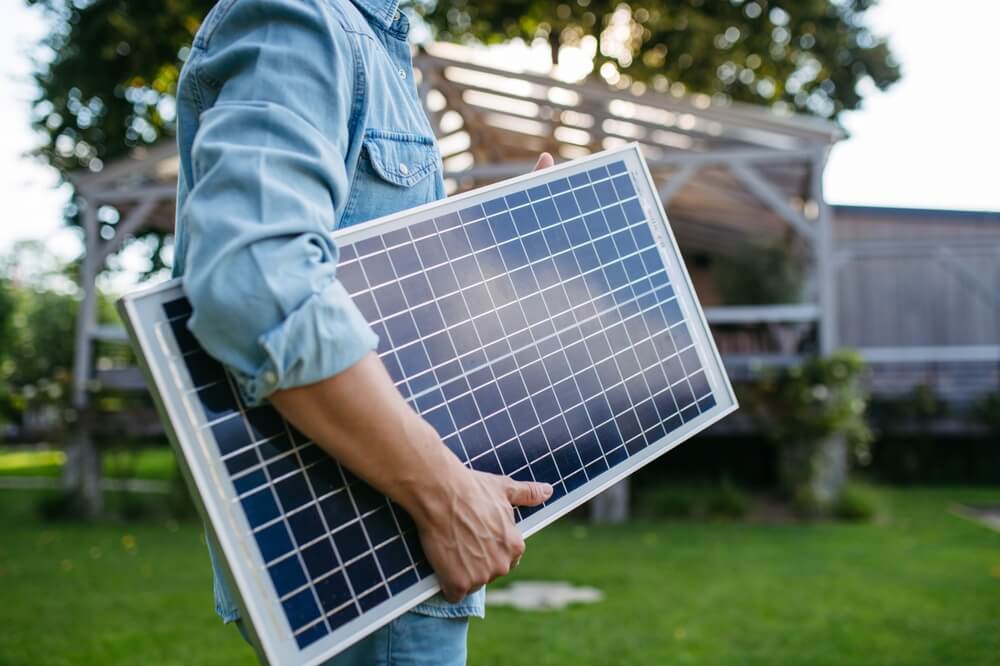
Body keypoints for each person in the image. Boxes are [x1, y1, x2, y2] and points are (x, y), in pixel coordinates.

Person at [172, 0, 555, 663]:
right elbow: (258, 281)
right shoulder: (302, 19)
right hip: (358, 550)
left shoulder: (374, 46)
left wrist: (489, 233)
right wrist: (444, 492)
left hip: (384, 550)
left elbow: (372, 285)